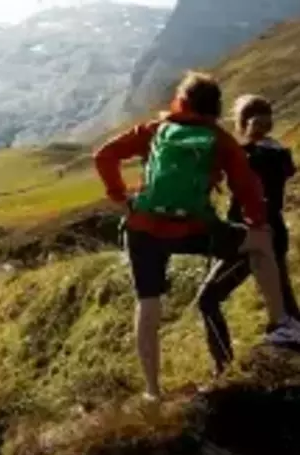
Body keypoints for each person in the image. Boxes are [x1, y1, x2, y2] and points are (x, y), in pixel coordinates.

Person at [93, 71, 300, 400]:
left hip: (143, 229)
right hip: (194, 227)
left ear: (181, 100)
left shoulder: (155, 129)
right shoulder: (219, 139)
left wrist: (121, 197)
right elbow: (246, 185)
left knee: (148, 304)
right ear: (216, 107)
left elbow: (103, 155)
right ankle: (281, 324)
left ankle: (153, 391)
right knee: (261, 243)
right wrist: (257, 221)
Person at [198, 94, 300, 375]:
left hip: (247, 237)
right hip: (275, 233)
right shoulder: (280, 153)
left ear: (243, 123)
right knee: (286, 309)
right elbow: (287, 173)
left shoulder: (244, 156)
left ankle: (223, 368)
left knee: (208, 299)